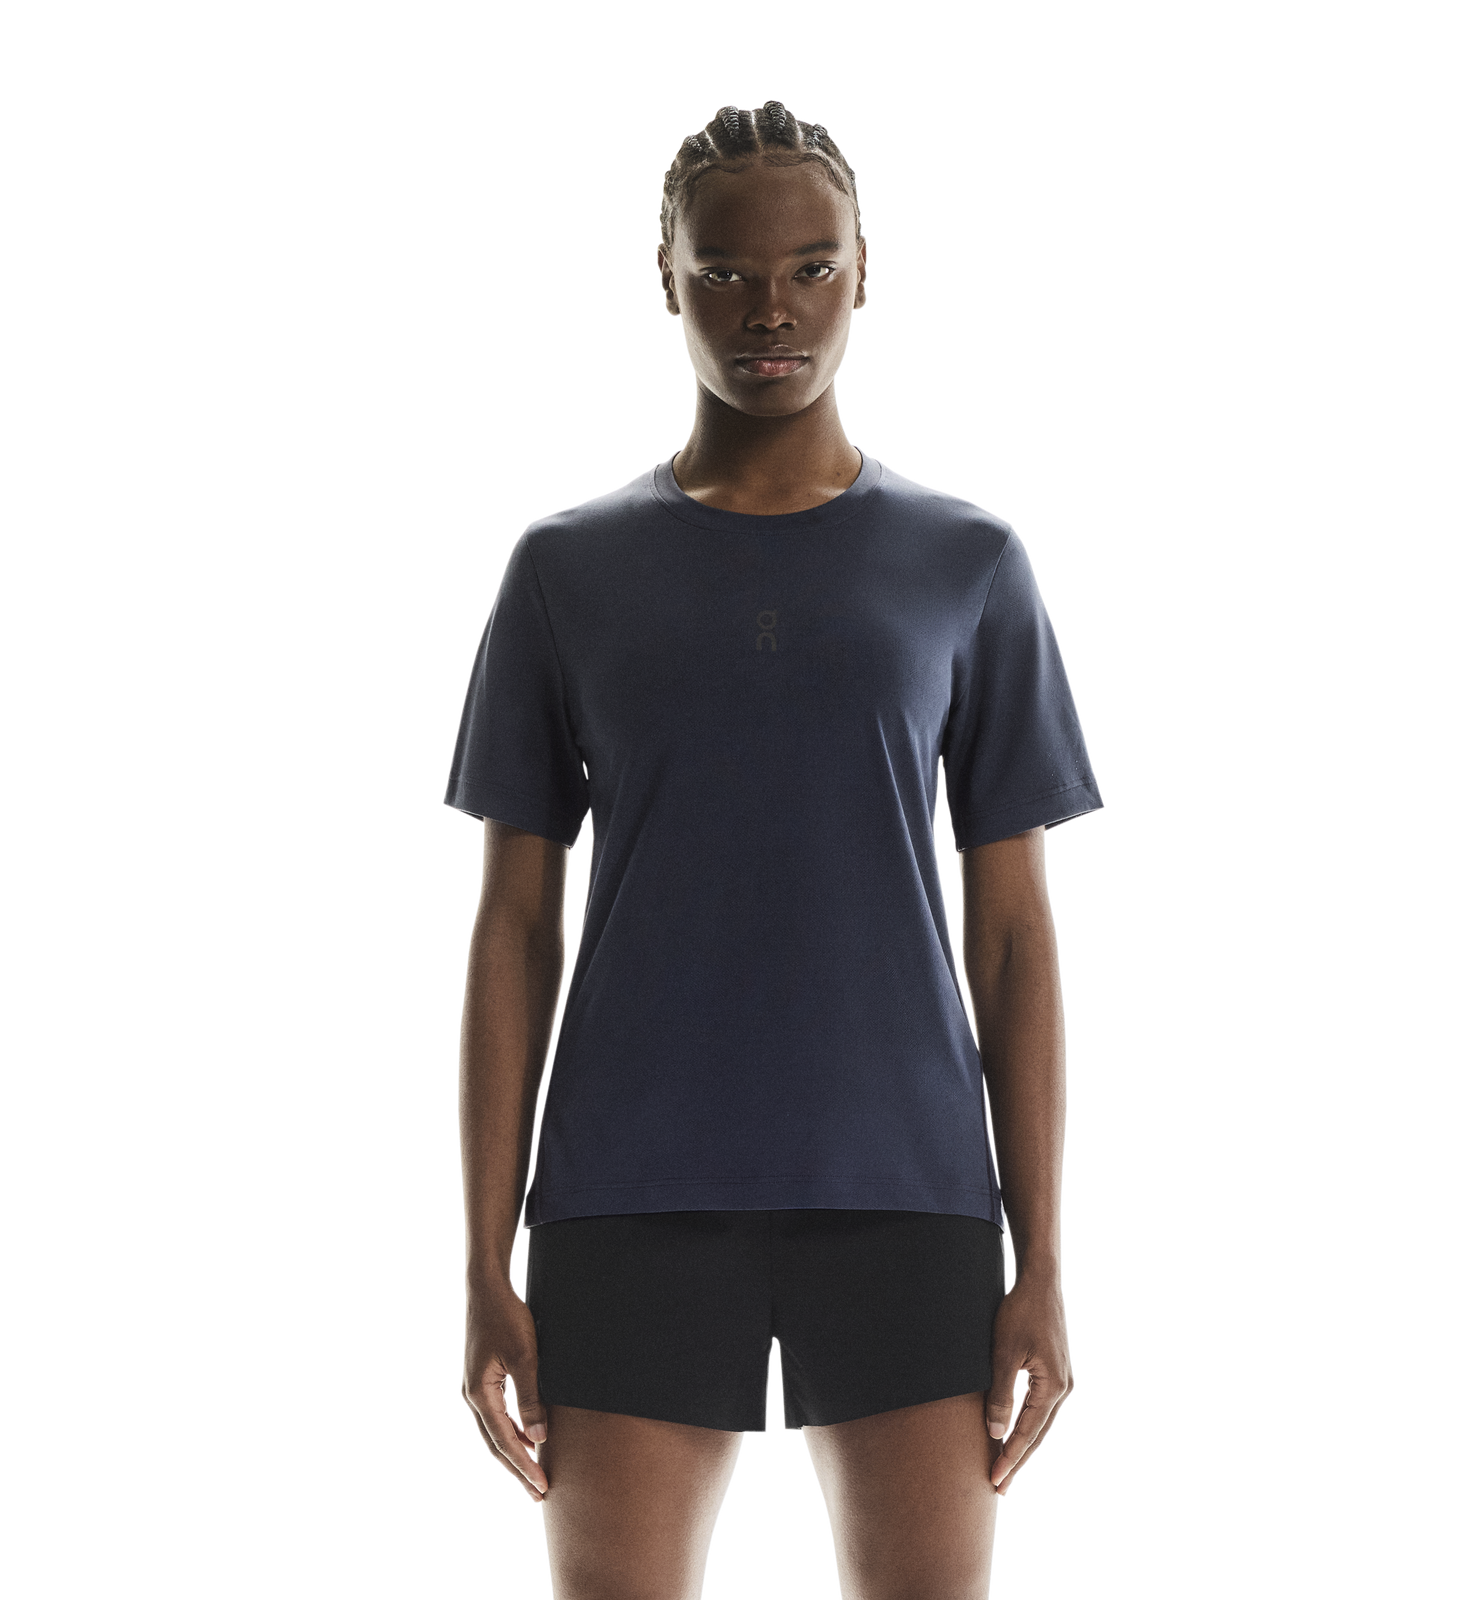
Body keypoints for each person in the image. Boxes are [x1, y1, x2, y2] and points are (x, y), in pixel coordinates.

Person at [447, 97, 1106, 1599]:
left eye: (810, 269)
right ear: (665, 279)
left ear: (866, 273)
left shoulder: (971, 562)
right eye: (727, 273)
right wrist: (484, 1266)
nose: (770, 311)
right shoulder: (562, 570)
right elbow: (513, 929)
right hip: (629, 1195)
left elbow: (1014, 934)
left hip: (909, 1196)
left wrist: (1045, 1263)